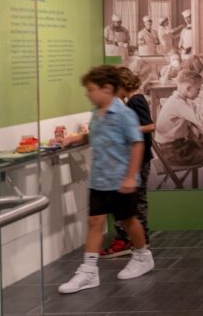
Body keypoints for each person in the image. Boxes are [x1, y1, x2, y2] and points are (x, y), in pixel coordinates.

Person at [56, 65, 154, 294]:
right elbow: (94, 135)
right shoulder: (95, 113)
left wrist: (131, 176)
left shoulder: (124, 114)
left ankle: (143, 256)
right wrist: (76, 138)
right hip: (99, 180)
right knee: (94, 223)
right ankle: (89, 270)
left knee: (130, 221)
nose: (87, 94)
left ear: (107, 88)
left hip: (120, 180)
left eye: (91, 89)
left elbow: (137, 142)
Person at [101, 67, 157, 258]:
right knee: (138, 201)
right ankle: (140, 239)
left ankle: (127, 240)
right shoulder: (133, 101)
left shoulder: (135, 100)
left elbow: (150, 125)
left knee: (130, 202)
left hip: (137, 159)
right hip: (139, 158)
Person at [153, 70, 203, 169]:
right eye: (198, 89)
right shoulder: (178, 103)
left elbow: (192, 114)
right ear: (188, 88)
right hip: (172, 152)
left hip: (174, 146)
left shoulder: (177, 100)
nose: (199, 92)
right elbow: (200, 120)